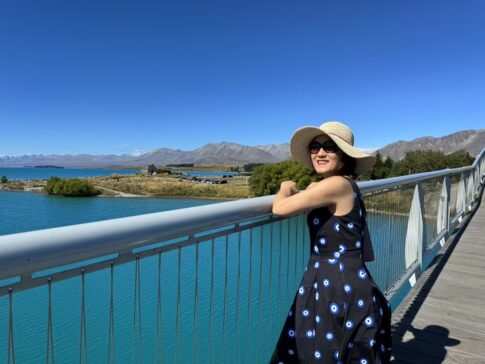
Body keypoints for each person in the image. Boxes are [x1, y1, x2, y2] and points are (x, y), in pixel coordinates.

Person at [270, 121, 392, 363]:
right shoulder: (340, 184)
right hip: (337, 280)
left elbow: (280, 208)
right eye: (315, 147)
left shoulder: (335, 185)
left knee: (319, 349)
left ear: (344, 155)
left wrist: (286, 187)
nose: (321, 152)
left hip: (334, 284)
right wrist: (312, 188)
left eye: (330, 147)